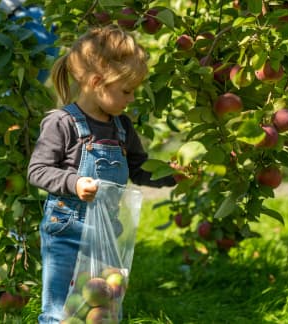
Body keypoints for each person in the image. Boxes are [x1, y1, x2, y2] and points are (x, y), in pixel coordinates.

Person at [27, 24, 177, 323]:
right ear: (97, 82)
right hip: (66, 233)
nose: (131, 99)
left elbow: (140, 169)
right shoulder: (62, 122)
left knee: (101, 310)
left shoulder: (122, 128)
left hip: (106, 235)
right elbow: (37, 170)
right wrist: (73, 182)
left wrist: (172, 174)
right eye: (126, 90)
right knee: (60, 311)